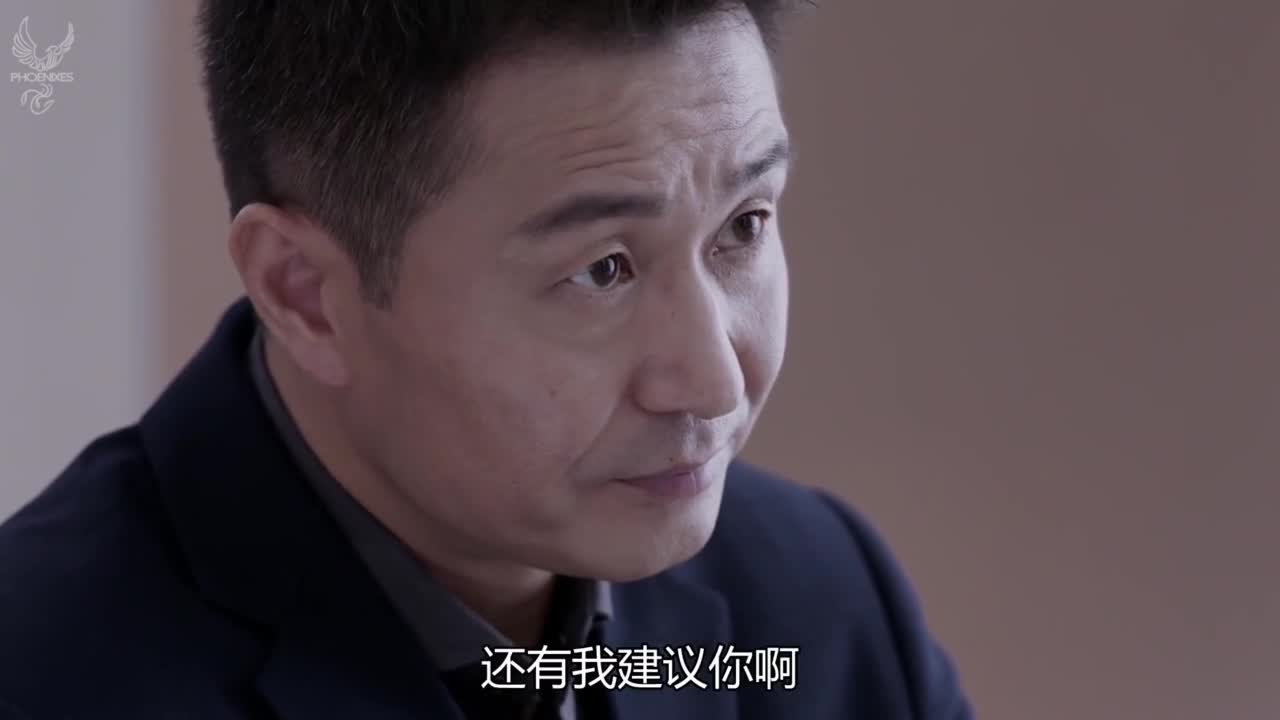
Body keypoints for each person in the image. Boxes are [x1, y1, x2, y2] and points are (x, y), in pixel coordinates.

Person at [0, 1, 972, 718]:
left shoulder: (818, 601)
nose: (715, 380)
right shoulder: (42, 678)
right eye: (602, 269)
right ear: (306, 295)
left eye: (743, 227)